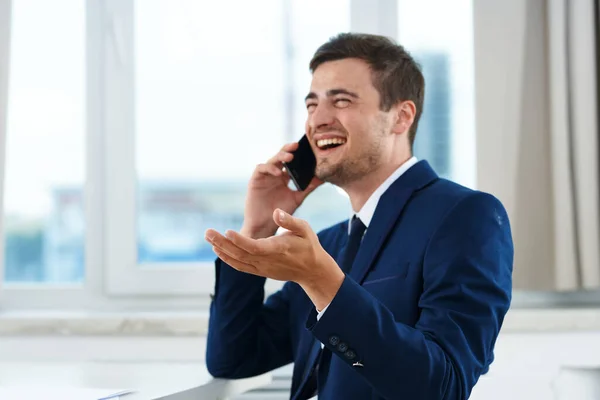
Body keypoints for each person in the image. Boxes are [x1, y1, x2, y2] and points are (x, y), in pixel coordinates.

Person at [204, 32, 513, 400]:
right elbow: (233, 358)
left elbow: (442, 386)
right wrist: (257, 229)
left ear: (401, 117)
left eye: (342, 101)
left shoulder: (466, 216)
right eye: (311, 105)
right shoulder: (330, 244)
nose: (318, 120)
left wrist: (323, 282)